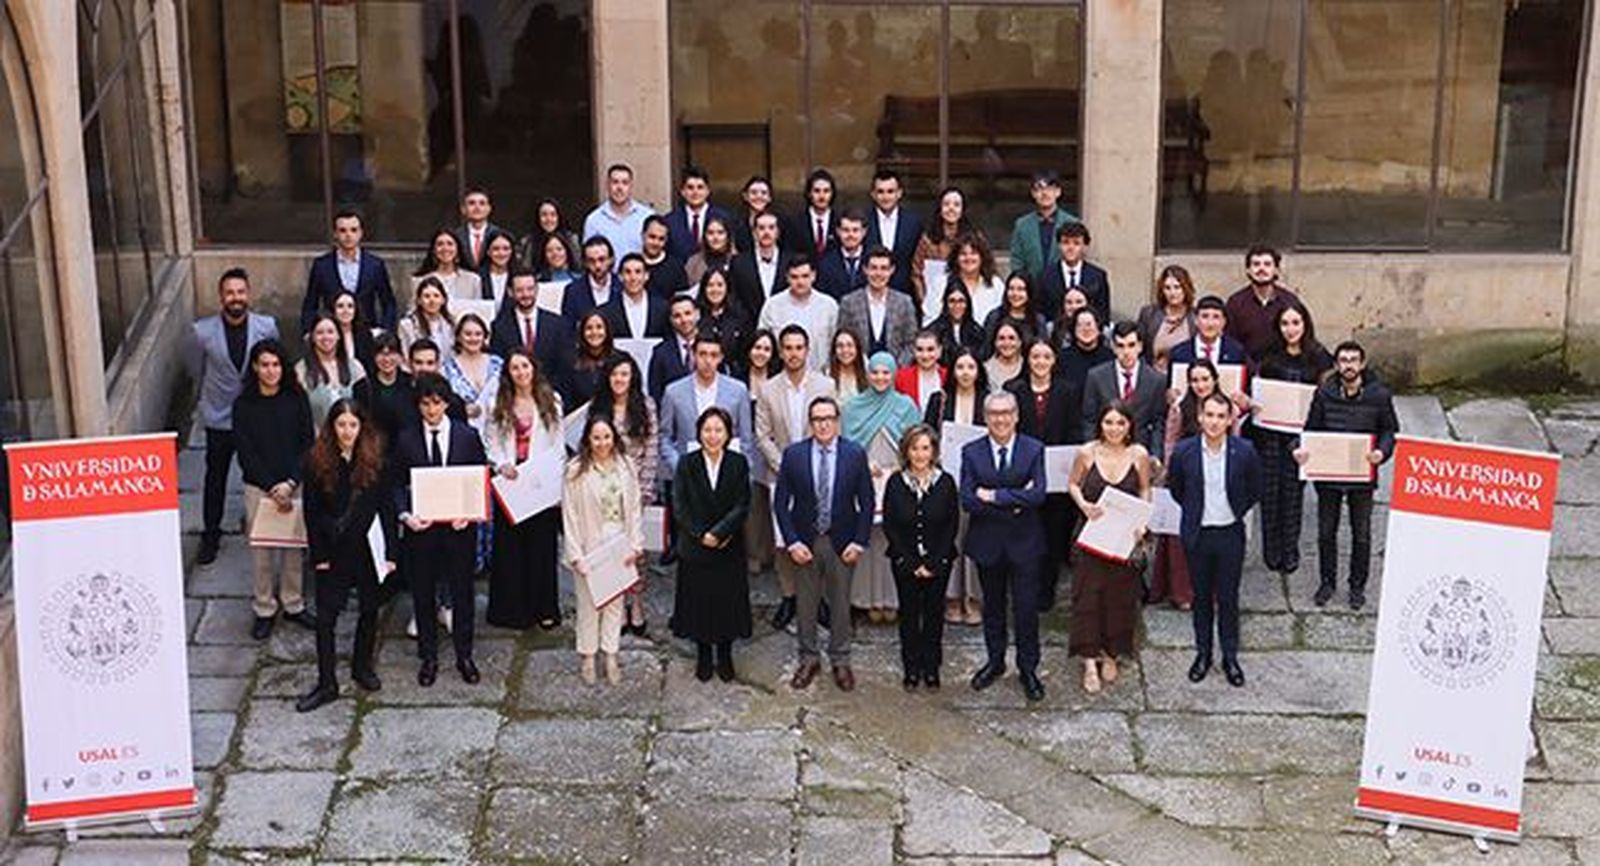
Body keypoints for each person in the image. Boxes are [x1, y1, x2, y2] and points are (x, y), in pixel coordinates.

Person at [295, 399, 398, 712]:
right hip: (334, 549)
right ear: (332, 427)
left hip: (367, 548)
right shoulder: (316, 461)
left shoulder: (376, 460)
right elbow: (312, 513)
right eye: (341, 424)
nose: (347, 431)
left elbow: (386, 508)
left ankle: (361, 666)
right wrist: (319, 555)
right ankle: (327, 682)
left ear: (361, 427)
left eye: (353, 425)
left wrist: (391, 551)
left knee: (370, 610)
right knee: (326, 618)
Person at [773, 396, 875, 691]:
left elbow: (866, 502)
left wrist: (859, 541)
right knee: (805, 603)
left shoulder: (854, 454)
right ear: (810, 423)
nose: (823, 424)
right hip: (806, 541)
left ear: (837, 420)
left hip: (842, 542)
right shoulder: (794, 455)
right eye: (817, 419)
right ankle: (808, 658)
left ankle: (841, 660)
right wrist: (791, 541)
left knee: (841, 603)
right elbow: (781, 503)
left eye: (828, 418)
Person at [393, 373, 490, 687]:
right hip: (422, 530)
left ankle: (465, 654)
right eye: (425, 404)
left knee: (462, 592)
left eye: (436, 403)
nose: (431, 410)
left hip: (458, 529)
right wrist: (405, 515)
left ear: (446, 403)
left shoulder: (466, 436)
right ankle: (429, 656)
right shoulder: (406, 438)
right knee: (422, 593)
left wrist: (470, 513)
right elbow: (394, 483)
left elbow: (479, 478)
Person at [1166, 391, 1262, 688]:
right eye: (1209, 415)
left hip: (1229, 533)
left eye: (1221, 416)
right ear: (1199, 416)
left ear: (1230, 419)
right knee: (1201, 598)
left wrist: (1235, 510)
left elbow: (1254, 488)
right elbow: (1177, 489)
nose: (1214, 422)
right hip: (1198, 534)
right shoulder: (1184, 451)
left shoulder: (1244, 451)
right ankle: (1203, 654)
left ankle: (1230, 656)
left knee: (1229, 598)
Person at [186, 268, 280, 565]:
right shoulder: (202, 332)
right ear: (221, 297)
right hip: (220, 416)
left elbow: (272, 364)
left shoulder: (266, 326)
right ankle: (210, 534)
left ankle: (261, 524)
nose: (235, 298)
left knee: (259, 473)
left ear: (248, 294)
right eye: (230, 293)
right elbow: (195, 369)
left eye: (240, 292)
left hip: (255, 415)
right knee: (216, 477)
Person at [1296, 341, 1398, 610]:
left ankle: (1357, 586)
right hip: (1329, 474)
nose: (1348, 365)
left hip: (1361, 475)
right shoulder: (1324, 394)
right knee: (1326, 532)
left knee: (1361, 534)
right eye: (1343, 360)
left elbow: (1390, 431)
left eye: (1353, 360)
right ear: (1337, 365)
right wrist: (1299, 450)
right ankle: (1327, 582)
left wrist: (1381, 452)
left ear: (1362, 364)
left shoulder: (1379, 396)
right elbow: (1310, 430)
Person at [961, 391, 1049, 702]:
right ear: (985, 418)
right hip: (988, 544)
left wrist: (996, 496)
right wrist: (1015, 499)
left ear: (1016, 416)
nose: (1000, 419)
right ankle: (995, 662)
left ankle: (1028, 669)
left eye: (1006, 413)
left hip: (1025, 544)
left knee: (1026, 610)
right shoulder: (971, 452)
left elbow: (1038, 494)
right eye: (994, 414)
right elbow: (969, 499)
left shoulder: (1033, 449)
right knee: (993, 608)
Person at [1066, 403, 1153, 694]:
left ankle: (1111, 653)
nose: (1114, 429)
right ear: (1100, 424)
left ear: (1129, 426)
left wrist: (1143, 521)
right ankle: (1089, 660)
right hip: (1090, 536)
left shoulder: (1139, 454)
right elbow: (1073, 484)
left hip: (1124, 538)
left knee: (1119, 598)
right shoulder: (1086, 452)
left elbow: (1144, 489)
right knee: (1087, 597)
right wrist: (1083, 505)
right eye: (1108, 422)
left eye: (1120, 423)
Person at [233, 339, 315, 639]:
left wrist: (291, 482)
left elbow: (307, 443)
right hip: (260, 487)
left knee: (293, 550)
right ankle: (264, 607)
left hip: (293, 485)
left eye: (276, 365)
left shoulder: (296, 399)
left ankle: (293, 603)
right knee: (262, 552)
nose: (270, 371)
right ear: (255, 367)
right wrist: (271, 486)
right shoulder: (244, 405)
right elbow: (245, 452)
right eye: (264, 365)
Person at [756, 325, 837, 628]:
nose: (793, 353)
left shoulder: (825, 386)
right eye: (787, 348)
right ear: (781, 352)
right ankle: (789, 597)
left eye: (798, 347)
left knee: (818, 536)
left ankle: (817, 599)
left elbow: (831, 428)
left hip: (819, 472)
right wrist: (786, 466)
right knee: (784, 540)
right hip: (780, 474)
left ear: (807, 350)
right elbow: (762, 436)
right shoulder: (768, 388)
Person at [671, 406, 754, 682]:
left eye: (719, 430)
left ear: (728, 433)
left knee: (727, 601)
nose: (713, 435)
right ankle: (704, 653)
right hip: (695, 546)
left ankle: (726, 652)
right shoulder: (687, 463)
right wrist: (700, 534)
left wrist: (719, 532)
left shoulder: (738, 463)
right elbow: (679, 505)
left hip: (728, 544)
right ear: (699, 433)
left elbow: (743, 503)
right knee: (699, 601)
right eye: (707, 430)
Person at [484, 351, 565, 630]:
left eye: (524, 366)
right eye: (514, 368)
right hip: (511, 481)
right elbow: (490, 440)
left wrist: (554, 482)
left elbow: (558, 443)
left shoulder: (551, 400)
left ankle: (543, 609)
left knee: (541, 547)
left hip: (540, 483)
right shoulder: (499, 402)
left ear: (533, 368)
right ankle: (511, 611)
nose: (520, 372)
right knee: (510, 549)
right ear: (508, 373)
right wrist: (501, 464)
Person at [562, 415, 645, 685]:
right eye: (596, 438)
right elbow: (569, 515)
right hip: (589, 543)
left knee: (614, 604)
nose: (602, 443)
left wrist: (636, 543)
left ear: (614, 438)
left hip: (618, 540)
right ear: (587, 439)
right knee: (588, 604)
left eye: (606, 437)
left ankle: (610, 654)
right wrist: (575, 554)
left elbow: (633, 509)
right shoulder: (576, 470)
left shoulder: (626, 466)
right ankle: (588, 655)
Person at [1250, 304, 1331, 575]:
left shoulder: (1318, 357)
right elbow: (1258, 389)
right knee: (1270, 494)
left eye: (1296, 323)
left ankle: (1290, 551)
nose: (1291, 329)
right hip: (1270, 434)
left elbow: (1327, 394)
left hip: (1301, 436)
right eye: (1285, 324)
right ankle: (1271, 551)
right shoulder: (1269, 356)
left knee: (1293, 495)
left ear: (1305, 324)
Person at [843, 352, 923, 622]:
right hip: (864, 476)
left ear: (893, 374)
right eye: (875, 372)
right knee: (869, 538)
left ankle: (893, 599)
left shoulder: (906, 405)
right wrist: (863, 463)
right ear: (867, 374)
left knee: (896, 538)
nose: (880, 378)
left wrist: (901, 470)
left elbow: (917, 443)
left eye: (886, 372)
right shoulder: (853, 406)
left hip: (898, 477)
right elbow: (847, 445)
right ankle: (868, 600)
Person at [1005, 339, 1083, 611]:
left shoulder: (1068, 391)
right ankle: (1023, 588)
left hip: (1057, 476)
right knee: (1023, 533)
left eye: (1046, 356)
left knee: (1052, 534)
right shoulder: (1013, 390)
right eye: (1035, 356)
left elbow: (1075, 428)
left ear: (1054, 360)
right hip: (1022, 474)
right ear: (1028, 359)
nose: (1040, 361)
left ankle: (1046, 590)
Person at [882, 424, 959, 691]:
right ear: (906, 451)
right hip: (905, 563)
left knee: (934, 614)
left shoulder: (946, 482)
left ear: (934, 451)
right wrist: (913, 563)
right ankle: (911, 667)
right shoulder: (895, 483)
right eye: (914, 448)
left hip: (939, 562)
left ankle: (931, 667)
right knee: (909, 615)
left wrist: (934, 563)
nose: (920, 454)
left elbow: (951, 526)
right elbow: (891, 526)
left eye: (925, 448)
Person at [590, 354, 659, 636]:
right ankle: (616, 605)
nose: (619, 380)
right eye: (614, 374)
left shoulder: (646, 405)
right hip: (605, 487)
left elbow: (653, 446)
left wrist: (643, 489)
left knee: (636, 551)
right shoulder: (599, 407)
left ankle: (637, 603)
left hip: (635, 487)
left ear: (633, 377)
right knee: (609, 549)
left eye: (625, 374)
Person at [924, 348, 988, 626]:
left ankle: (973, 597)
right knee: (947, 537)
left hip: (978, 480)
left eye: (970, 367)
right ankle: (950, 597)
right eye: (960, 367)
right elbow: (926, 435)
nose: (965, 372)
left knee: (974, 537)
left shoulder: (987, 401)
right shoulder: (939, 400)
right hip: (944, 478)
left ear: (978, 371)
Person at [659, 335, 753, 478]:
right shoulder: (674, 392)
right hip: (687, 475)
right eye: (702, 354)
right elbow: (665, 437)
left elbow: (745, 439)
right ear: (693, 355)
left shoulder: (738, 390)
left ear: (721, 357)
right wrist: (679, 466)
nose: (708, 361)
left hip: (727, 475)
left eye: (714, 355)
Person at [302, 209, 396, 334]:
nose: (348, 235)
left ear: (361, 233)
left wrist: (384, 331)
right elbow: (310, 303)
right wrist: (309, 332)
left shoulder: (375, 265)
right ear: (335, 233)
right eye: (342, 230)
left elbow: (388, 302)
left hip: (367, 333)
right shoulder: (322, 266)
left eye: (353, 230)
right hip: (331, 335)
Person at [1083, 322, 1167, 454]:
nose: (1126, 352)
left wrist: (1155, 456)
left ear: (1140, 346)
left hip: (1140, 453)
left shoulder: (1156, 380)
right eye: (1120, 346)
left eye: (1131, 345)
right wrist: (1092, 453)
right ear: (1113, 347)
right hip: (1105, 452)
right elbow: (1090, 420)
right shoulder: (1096, 377)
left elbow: (1158, 423)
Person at [490, 269, 574, 397]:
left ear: (537, 289)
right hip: (514, 398)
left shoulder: (558, 324)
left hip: (551, 395)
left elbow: (564, 367)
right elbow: (499, 367)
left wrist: (548, 394)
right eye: (519, 290)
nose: (525, 294)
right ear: (510, 292)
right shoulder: (500, 327)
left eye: (530, 289)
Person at [837, 247, 918, 367]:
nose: (878, 273)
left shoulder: (904, 302)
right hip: (860, 373)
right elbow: (843, 340)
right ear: (865, 269)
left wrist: (897, 367)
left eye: (884, 268)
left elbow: (912, 342)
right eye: (873, 268)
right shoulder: (849, 302)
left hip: (896, 374)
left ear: (892, 270)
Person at [1226, 245, 1308, 361]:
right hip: (1247, 368)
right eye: (1256, 264)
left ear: (1276, 270)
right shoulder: (1235, 303)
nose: (1261, 269)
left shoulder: (1289, 300)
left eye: (1267, 264)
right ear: (1247, 270)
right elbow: (1231, 342)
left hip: (1283, 369)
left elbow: (1302, 338)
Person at [757, 257, 839, 371]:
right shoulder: (773, 306)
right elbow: (762, 342)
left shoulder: (829, 306)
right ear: (787, 278)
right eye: (794, 277)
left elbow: (836, 344)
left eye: (805, 276)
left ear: (813, 276)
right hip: (782, 378)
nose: (800, 282)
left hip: (821, 376)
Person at [910, 188, 978, 311]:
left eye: (956, 205)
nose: (951, 208)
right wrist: (925, 302)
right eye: (946, 204)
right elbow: (916, 274)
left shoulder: (974, 237)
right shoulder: (927, 240)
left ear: (963, 210)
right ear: (940, 209)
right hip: (934, 302)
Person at [297, 313, 368, 431]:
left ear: (338, 335)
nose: (326, 337)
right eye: (320, 333)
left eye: (330, 332)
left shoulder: (355, 367)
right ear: (312, 337)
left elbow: (365, 410)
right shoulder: (301, 370)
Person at [864, 169, 924, 297]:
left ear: (899, 193)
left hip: (905, 293)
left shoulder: (914, 223)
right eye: (880, 192)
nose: (885, 197)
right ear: (873, 194)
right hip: (870, 292)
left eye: (890, 191)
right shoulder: (863, 222)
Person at [1008, 170, 1079, 279]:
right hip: (1032, 287)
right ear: (1033, 193)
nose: (1044, 193)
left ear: (1058, 192)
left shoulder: (1072, 223)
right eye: (1039, 189)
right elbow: (1017, 260)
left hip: (1062, 289)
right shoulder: (1022, 225)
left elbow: (1077, 258)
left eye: (1049, 188)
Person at [1039, 222, 1110, 327]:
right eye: (1066, 242)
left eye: (1076, 243)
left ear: (1085, 246)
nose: (1070, 248)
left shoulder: (1098, 276)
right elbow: (1042, 312)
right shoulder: (1045, 276)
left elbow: (1103, 313)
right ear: (1059, 245)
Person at [582, 162, 654, 263]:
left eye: (625, 183)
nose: (619, 188)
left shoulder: (647, 216)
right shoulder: (593, 221)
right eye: (615, 182)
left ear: (631, 186)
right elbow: (589, 258)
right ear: (607, 185)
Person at [442, 314, 502, 431]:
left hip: (497, 431)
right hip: (462, 432)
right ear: (459, 337)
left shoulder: (498, 364)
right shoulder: (447, 369)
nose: (473, 338)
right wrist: (460, 410)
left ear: (485, 336)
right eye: (468, 334)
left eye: (478, 334)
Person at [664, 165, 733, 262]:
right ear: (682, 192)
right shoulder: (670, 221)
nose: (695, 192)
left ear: (707, 191)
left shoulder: (724, 217)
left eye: (700, 187)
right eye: (690, 188)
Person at [1136, 265, 1197, 373]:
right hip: (1155, 376)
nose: (1172, 293)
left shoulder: (1195, 316)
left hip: (1186, 378)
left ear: (1186, 288)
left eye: (1177, 287)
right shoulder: (1149, 314)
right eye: (1167, 288)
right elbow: (1139, 349)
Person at [730, 212, 793, 316]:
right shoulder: (739, 263)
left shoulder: (790, 261)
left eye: (771, 227)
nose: (766, 232)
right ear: (754, 233)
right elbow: (735, 298)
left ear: (777, 232)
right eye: (761, 228)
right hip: (749, 327)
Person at [604, 254, 671, 340]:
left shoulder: (663, 308)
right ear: (620, 277)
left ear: (646, 276)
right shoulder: (607, 311)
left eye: (638, 272)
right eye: (628, 272)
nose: (633, 278)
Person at [648, 294, 700, 403]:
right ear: (671, 320)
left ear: (697, 314)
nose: (684, 320)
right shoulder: (660, 352)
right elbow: (656, 392)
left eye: (688, 313)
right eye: (677, 316)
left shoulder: (713, 346)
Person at [946, 234, 1005, 326]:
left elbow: (1004, 316)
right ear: (956, 258)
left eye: (973, 253)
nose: (968, 258)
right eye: (963, 254)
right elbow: (929, 319)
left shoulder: (995, 284)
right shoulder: (941, 283)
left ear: (982, 257)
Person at [412, 227, 485, 302]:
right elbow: (413, 310)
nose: (445, 248)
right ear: (433, 250)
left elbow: (478, 309)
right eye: (440, 244)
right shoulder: (419, 281)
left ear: (458, 249)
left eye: (450, 244)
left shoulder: (473, 280)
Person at [696, 267, 752, 364]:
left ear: (727, 287)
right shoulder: (696, 315)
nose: (715, 289)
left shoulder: (741, 315)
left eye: (720, 285)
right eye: (710, 285)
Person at [561, 236, 624, 322]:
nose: (597, 265)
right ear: (585, 263)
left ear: (611, 260)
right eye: (591, 261)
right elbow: (568, 326)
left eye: (602, 259)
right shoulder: (573, 291)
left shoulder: (623, 286)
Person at [1053, 308, 1114, 396]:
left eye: (1089, 324)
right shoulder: (1062, 358)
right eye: (1079, 325)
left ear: (1098, 328)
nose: (1085, 329)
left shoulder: (1110, 357)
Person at [397, 276, 457, 366]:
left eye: (436, 296)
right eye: (426, 296)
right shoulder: (407, 325)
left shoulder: (451, 324)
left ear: (443, 300)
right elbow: (405, 358)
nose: (431, 300)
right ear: (419, 301)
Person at [982, 272, 1046, 353]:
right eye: (1011, 288)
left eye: (1020, 289)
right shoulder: (995, 317)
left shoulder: (1038, 320)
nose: (1015, 294)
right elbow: (986, 349)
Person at [815, 209, 869, 301]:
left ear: (864, 232)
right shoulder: (825, 263)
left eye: (855, 230)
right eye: (846, 230)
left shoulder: (873, 260)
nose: (850, 235)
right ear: (838, 231)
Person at [520, 197, 581, 278]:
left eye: (553, 215)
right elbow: (526, 269)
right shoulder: (529, 242)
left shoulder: (572, 239)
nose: (549, 219)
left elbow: (578, 266)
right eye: (544, 215)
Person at [568, 311, 619, 409]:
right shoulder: (569, 361)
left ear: (607, 330)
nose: (594, 332)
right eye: (589, 328)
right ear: (582, 332)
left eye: (599, 327)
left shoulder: (620, 359)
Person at [930, 282, 986, 367]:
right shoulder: (933, 331)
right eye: (952, 301)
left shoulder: (977, 331)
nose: (957, 306)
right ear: (945, 304)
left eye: (961, 301)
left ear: (967, 304)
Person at [787, 167, 839, 257]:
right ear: (809, 193)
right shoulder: (795, 221)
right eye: (817, 191)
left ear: (832, 193)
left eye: (826, 191)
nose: (821, 196)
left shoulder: (840, 220)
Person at [454, 187, 507, 273]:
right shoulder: (455, 236)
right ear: (463, 209)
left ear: (489, 209)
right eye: (472, 203)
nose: (477, 207)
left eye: (482, 203)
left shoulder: (500, 235)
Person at [641, 215, 691, 299]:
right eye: (652, 237)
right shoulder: (633, 265)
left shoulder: (676, 267)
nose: (656, 243)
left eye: (661, 239)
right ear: (643, 235)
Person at [328, 290, 378, 375]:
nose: (345, 310)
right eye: (340, 306)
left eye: (350, 306)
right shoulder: (327, 335)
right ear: (333, 310)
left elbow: (370, 366)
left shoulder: (365, 335)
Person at [895, 330, 946, 412]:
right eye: (920, 349)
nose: (925, 355)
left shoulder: (947, 376)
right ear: (914, 351)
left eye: (930, 349)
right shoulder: (901, 377)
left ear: (939, 351)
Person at [685, 216, 738, 288]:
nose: (715, 237)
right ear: (704, 236)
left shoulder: (738, 261)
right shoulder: (693, 263)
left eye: (720, 232)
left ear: (728, 236)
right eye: (710, 233)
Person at [733, 174, 779, 256]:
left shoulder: (781, 222)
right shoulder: (736, 224)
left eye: (764, 193)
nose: (759, 196)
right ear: (745, 196)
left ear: (770, 197)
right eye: (754, 193)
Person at [984, 320, 1027, 392]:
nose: (1006, 343)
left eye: (1011, 338)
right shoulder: (985, 369)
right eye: (1001, 338)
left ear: (1020, 342)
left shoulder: (1028, 368)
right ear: (995, 342)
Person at [478, 233, 517, 306]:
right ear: (488, 252)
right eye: (496, 249)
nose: (501, 253)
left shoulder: (518, 276)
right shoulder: (478, 277)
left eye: (506, 249)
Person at [829, 329, 868, 400]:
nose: (845, 350)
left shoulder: (867, 373)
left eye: (849, 345)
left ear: (857, 348)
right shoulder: (827, 375)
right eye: (840, 346)